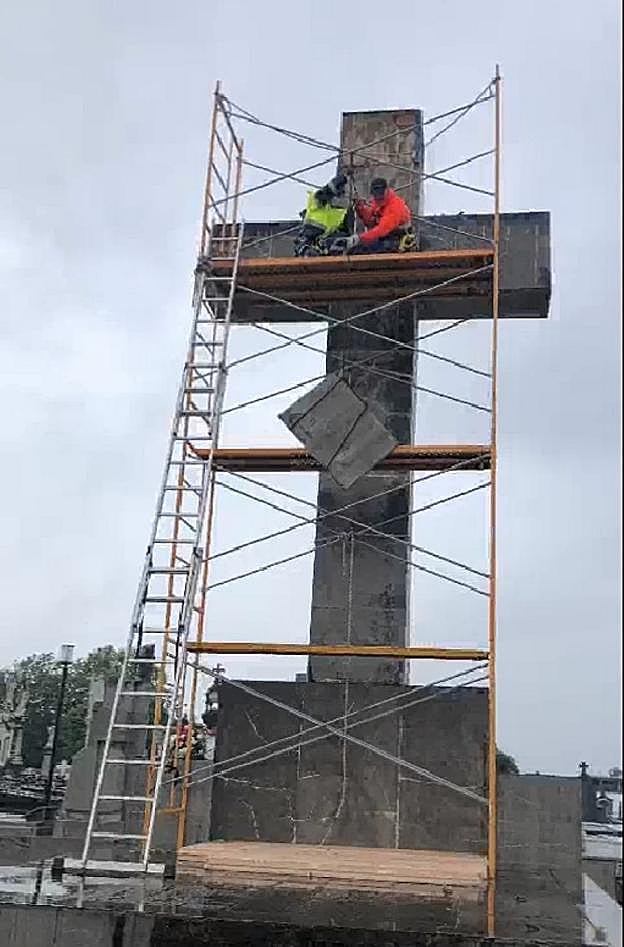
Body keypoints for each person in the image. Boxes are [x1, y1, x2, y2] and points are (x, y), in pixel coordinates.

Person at [345, 177, 414, 253]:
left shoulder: (395, 206)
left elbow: (382, 230)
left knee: (360, 250)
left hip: (396, 241)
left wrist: (359, 238)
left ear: (387, 190)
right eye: (376, 195)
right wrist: (361, 208)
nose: (378, 198)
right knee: (356, 249)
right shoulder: (377, 203)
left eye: (380, 195)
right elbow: (371, 221)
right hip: (385, 239)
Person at [294, 172, 354, 256]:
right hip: (308, 241)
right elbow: (325, 192)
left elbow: (347, 235)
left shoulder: (342, 213)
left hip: (324, 246)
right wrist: (343, 178)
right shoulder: (317, 203)